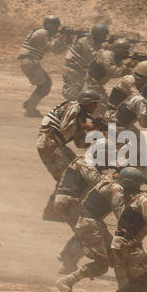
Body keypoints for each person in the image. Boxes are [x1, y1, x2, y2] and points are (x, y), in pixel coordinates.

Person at [56, 167, 147, 292]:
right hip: (90, 224)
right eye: (137, 185)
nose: (138, 187)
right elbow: (121, 213)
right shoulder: (117, 189)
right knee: (101, 265)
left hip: (93, 223)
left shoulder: (111, 182)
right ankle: (66, 281)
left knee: (117, 258)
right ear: (129, 184)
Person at [36, 89, 102, 220]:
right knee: (67, 177)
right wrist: (86, 126)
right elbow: (66, 130)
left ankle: (57, 211)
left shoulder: (80, 114)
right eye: (94, 103)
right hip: (50, 144)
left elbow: (80, 143)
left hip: (56, 145)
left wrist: (98, 137)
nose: (96, 107)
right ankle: (53, 213)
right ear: (86, 102)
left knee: (75, 173)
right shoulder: (74, 108)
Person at [18, 16, 69, 117]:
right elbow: (53, 48)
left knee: (46, 83)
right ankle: (30, 108)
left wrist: (64, 41)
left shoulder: (42, 32)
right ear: (50, 26)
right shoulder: (43, 33)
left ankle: (29, 105)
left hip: (29, 61)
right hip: (29, 61)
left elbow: (58, 51)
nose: (56, 29)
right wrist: (61, 38)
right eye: (56, 27)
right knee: (45, 85)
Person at [62, 23, 110, 101]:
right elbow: (94, 57)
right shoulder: (85, 41)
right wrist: (106, 48)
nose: (104, 38)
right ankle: (63, 111)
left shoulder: (91, 40)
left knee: (77, 94)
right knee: (72, 95)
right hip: (72, 69)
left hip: (77, 69)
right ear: (99, 35)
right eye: (103, 36)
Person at [87, 38, 134, 105]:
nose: (128, 53)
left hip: (96, 84)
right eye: (125, 51)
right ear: (120, 51)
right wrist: (127, 66)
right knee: (101, 105)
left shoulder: (115, 57)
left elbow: (121, 69)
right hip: (91, 83)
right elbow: (113, 73)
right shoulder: (107, 56)